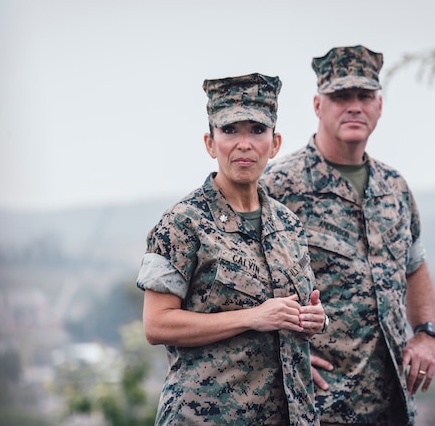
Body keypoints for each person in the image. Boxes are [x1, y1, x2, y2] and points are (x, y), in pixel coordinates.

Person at [261, 46, 435, 426]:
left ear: (379, 106)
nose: (354, 106)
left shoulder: (394, 187)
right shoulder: (277, 187)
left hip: (389, 402)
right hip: (316, 405)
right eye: (341, 96)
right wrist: (274, 356)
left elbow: (415, 264)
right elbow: (238, 283)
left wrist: (427, 333)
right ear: (317, 105)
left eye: (365, 96)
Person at [136, 72, 325, 426]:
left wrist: (315, 319)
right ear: (210, 143)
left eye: (256, 130)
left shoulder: (289, 226)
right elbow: (156, 324)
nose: (244, 144)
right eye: (229, 130)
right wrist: (253, 317)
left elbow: (290, 314)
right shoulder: (182, 224)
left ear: (275, 143)